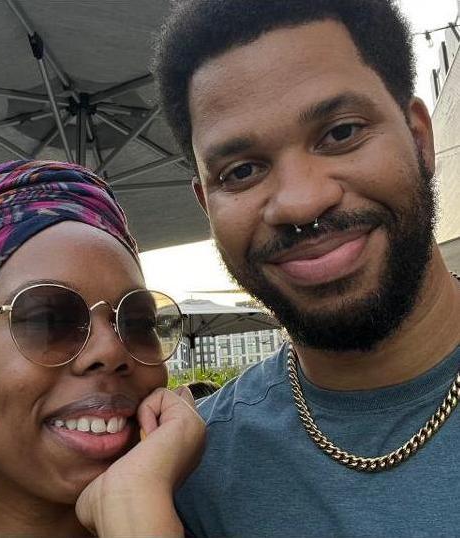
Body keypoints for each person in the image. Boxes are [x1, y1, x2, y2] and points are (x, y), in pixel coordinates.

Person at [153, 1, 460, 536]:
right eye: (241, 171)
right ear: (206, 205)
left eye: (341, 133)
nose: (300, 202)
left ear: (418, 138)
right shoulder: (189, 476)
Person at [0, 160, 205, 537]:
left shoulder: (222, 512)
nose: (112, 350)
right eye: (48, 321)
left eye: (138, 323)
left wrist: (136, 510)